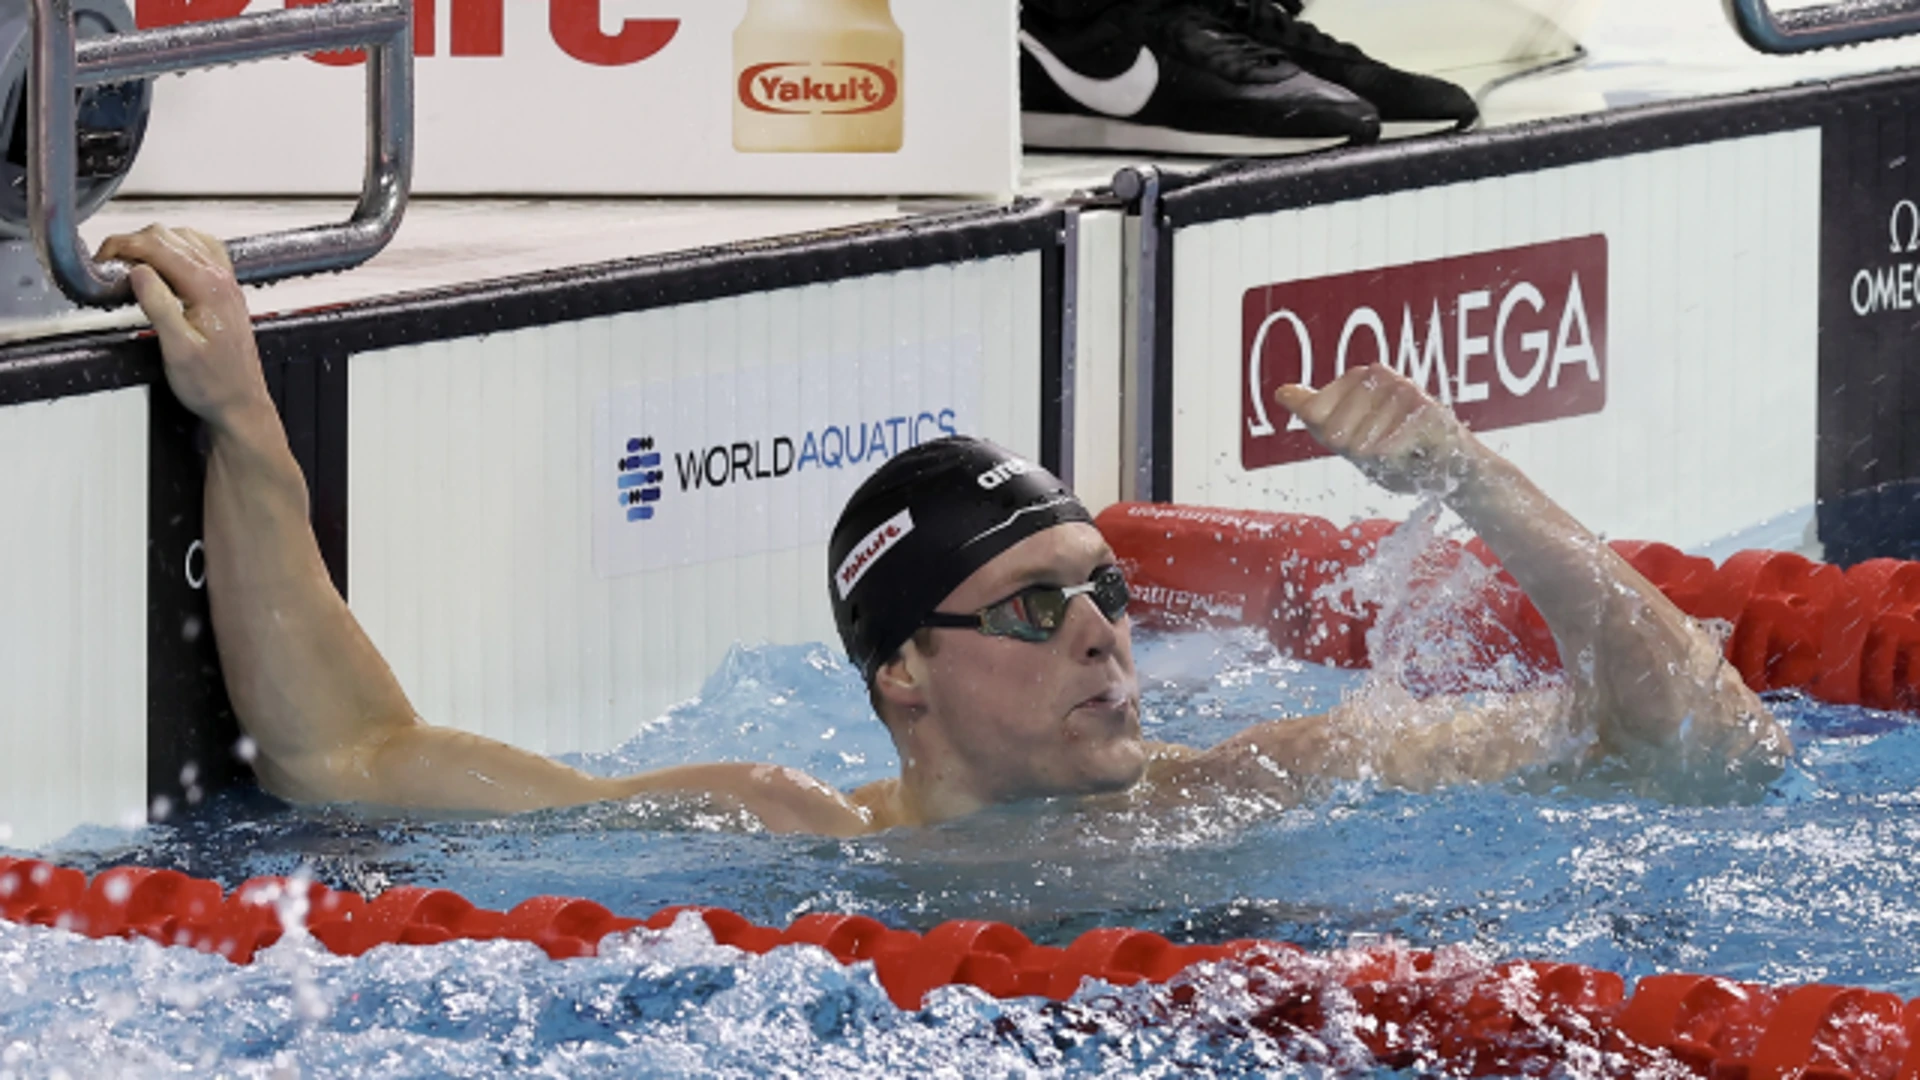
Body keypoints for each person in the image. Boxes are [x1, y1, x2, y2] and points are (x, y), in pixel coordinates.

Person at [102, 224, 1790, 838]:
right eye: (1033, 608)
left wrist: (1476, 483)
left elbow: (1706, 753)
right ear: (900, 675)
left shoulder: (1272, 779)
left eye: (1104, 594)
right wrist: (244, 424)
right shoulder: (777, 828)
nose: (1108, 635)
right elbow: (351, 758)